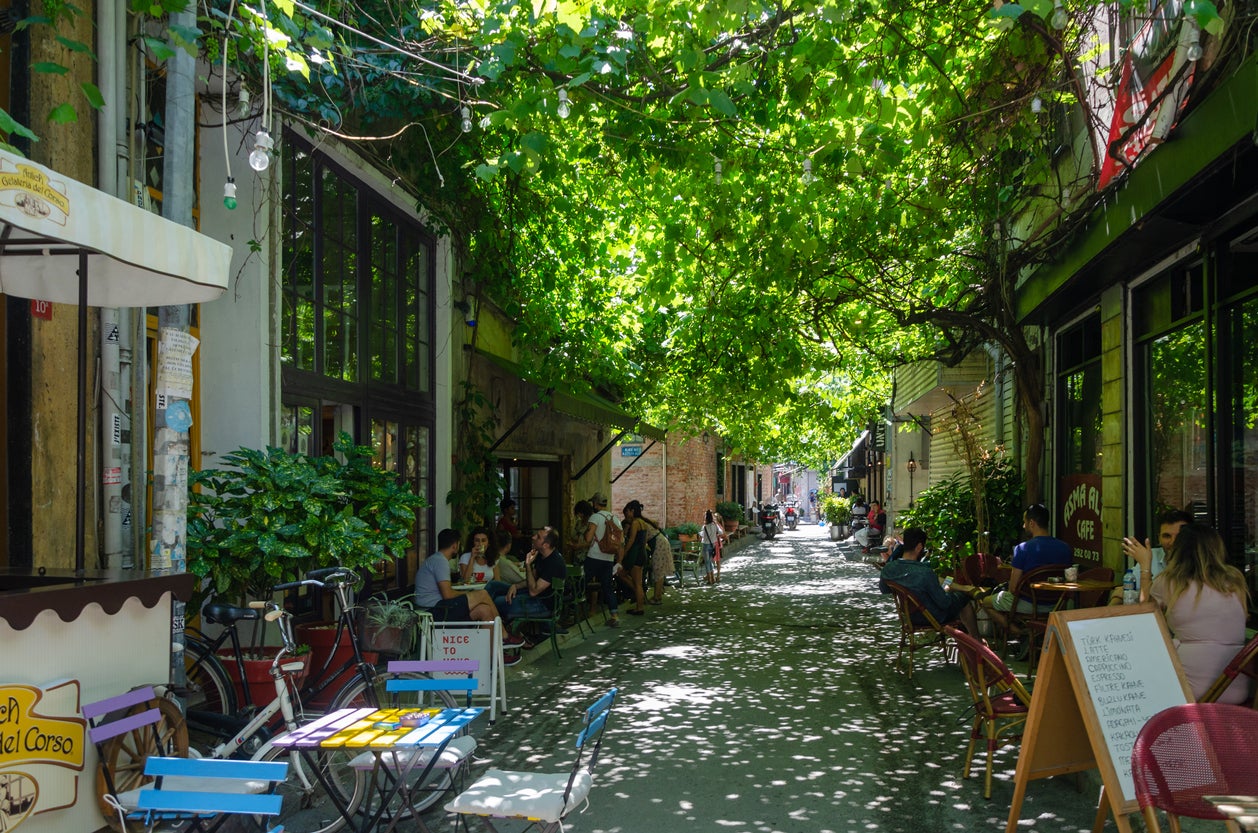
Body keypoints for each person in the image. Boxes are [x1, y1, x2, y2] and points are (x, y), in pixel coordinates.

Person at [1123, 523, 1249, 702]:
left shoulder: (1170, 581)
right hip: (1235, 685)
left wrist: (1145, 566)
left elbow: (1144, 614)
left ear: (1179, 550)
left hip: (1191, 689)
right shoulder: (1235, 579)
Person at [983, 503, 1074, 631]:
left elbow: (1013, 588)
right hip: (1058, 604)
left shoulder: (1022, 549)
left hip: (1029, 603)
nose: (1023, 526)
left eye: (1024, 522)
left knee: (985, 602)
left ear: (1032, 523)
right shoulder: (1065, 548)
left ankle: (1018, 632)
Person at [879, 527, 980, 635]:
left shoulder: (888, 569)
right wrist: (947, 591)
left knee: (947, 585)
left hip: (909, 617)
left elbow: (884, 589)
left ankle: (965, 641)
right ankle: (976, 640)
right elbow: (944, 603)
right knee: (962, 599)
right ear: (919, 547)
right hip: (932, 617)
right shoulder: (925, 572)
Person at [494, 526, 567, 645]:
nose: (533, 537)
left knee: (497, 602)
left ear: (545, 545)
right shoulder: (541, 556)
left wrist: (528, 564)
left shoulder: (554, 563)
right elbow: (531, 581)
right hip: (534, 597)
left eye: (538, 537)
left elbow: (534, 590)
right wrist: (515, 586)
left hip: (543, 605)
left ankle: (505, 637)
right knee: (494, 586)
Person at [414, 528, 501, 623]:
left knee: (484, 610)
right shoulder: (440, 561)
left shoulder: (436, 559)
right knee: (482, 594)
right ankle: (505, 635)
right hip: (433, 610)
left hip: (435, 607)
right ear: (455, 546)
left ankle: (496, 636)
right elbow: (448, 595)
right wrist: (470, 594)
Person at [577, 494, 621, 628]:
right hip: (608, 558)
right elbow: (621, 543)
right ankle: (614, 616)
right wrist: (619, 561)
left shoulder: (595, 517)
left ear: (595, 504)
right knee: (608, 587)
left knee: (581, 583)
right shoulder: (616, 519)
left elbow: (588, 538)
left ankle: (577, 613)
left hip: (594, 557)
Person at [617, 501, 650, 614]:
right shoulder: (644, 523)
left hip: (635, 554)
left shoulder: (636, 523)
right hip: (642, 553)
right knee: (637, 582)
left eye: (627, 511)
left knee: (633, 581)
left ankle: (639, 607)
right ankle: (639, 603)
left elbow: (631, 540)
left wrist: (625, 552)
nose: (626, 514)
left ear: (632, 510)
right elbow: (645, 540)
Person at [701, 509, 724, 586]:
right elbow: (721, 532)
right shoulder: (715, 525)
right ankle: (712, 578)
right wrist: (715, 535)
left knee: (707, 562)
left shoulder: (705, 526)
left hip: (706, 545)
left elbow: (703, 536)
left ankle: (710, 579)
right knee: (710, 561)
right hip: (713, 544)